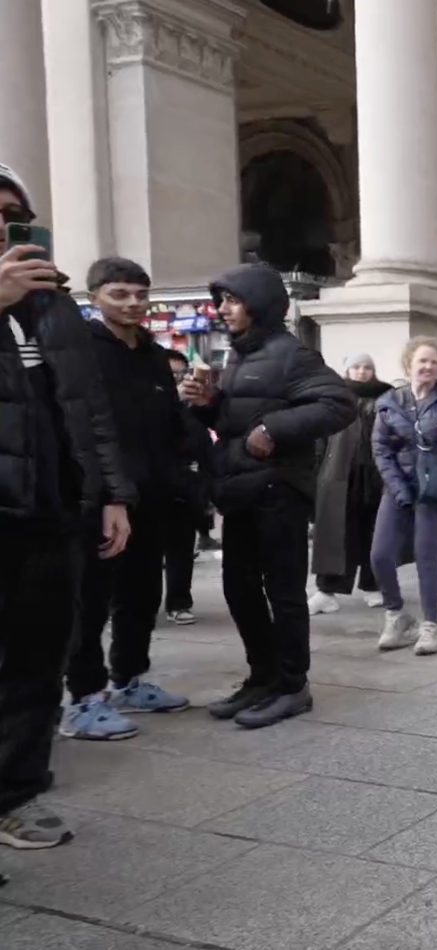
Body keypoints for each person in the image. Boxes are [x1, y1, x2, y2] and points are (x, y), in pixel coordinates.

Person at [0, 163, 133, 847]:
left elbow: (89, 409)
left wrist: (111, 494)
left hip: (53, 516)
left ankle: (16, 796)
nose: (4, 228)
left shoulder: (53, 305)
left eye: (14, 216)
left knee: (35, 662)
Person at [178, 263, 354, 729]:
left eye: (232, 300)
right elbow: (234, 424)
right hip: (241, 492)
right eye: (221, 301)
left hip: (279, 492)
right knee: (239, 589)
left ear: (257, 303)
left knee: (284, 593)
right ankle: (262, 677)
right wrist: (209, 405)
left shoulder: (292, 355)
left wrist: (274, 428)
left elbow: (338, 403)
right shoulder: (237, 357)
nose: (223, 309)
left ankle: (293, 685)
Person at [61, 257, 193, 741]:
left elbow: (166, 425)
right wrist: (108, 495)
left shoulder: (155, 355)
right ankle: (83, 699)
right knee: (91, 600)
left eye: (140, 294)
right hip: (100, 497)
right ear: (94, 297)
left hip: (153, 493)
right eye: (119, 294)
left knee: (141, 594)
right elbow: (85, 430)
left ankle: (129, 679)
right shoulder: (81, 351)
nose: (133, 303)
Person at [369, 337, 437, 655]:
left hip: (436, 488)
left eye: (434, 361)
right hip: (399, 486)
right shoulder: (390, 402)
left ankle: (430, 625)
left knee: (425, 555)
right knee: (380, 554)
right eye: (423, 361)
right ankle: (396, 615)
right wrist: (398, 489)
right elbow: (380, 449)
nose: (429, 366)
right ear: (409, 365)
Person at [309, 354, 391, 615]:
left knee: (374, 533)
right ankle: (326, 590)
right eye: (357, 367)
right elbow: (319, 438)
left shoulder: (386, 397)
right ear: (347, 370)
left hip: (376, 477)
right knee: (335, 534)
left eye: (368, 367)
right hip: (339, 475)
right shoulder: (334, 396)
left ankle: (372, 585)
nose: (362, 372)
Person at [161, 348, 211, 625]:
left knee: (181, 548)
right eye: (170, 374)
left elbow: (203, 445)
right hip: (148, 487)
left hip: (185, 488)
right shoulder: (144, 402)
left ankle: (179, 602)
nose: (177, 379)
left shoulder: (193, 409)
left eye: (181, 373)